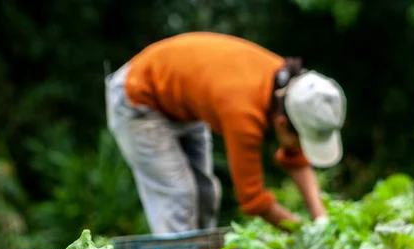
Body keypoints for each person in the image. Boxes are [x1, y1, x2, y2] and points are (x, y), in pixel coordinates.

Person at [105, 32, 346, 234]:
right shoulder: (244, 114)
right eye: (302, 142)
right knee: (179, 196)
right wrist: (304, 234)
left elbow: (293, 157)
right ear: (282, 124)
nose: (301, 150)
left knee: (207, 195)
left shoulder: (285, 86)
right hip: (137, 97)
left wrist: (320, 219)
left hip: (180, 100)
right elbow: (252, 199)